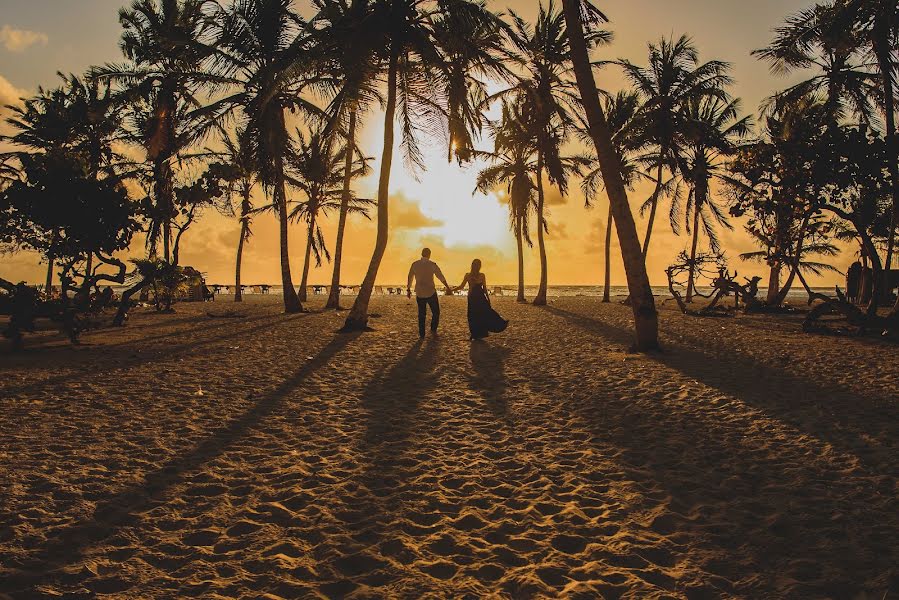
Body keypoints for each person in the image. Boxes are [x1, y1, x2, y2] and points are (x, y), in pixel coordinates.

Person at [455, 259, 508, 341]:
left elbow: (484, 288)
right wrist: (452, 289)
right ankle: (474, 334)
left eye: (479, 265)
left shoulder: (481, 275)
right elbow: (462, 286)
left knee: (483, 314)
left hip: (479, 298)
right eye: (477, 265)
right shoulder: (469, 275)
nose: (478, 267)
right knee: (473, 316)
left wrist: (488, 298)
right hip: (473, 298)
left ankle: (479, 333)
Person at [407, 248, 451, 338]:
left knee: (421, 314)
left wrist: (408, 289)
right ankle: (433, 329)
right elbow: (440, 276)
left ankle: (422, 334)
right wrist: (447, 287)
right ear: (429, 255)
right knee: (436, 312)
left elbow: (410, 277)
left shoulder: (415, 264)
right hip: (430, 291)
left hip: (419, 292)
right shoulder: (432, 264)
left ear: (421, 254)